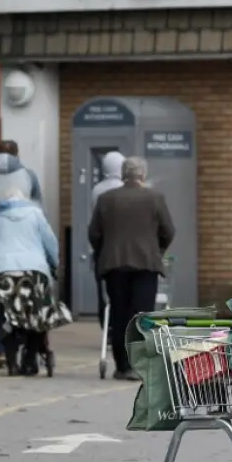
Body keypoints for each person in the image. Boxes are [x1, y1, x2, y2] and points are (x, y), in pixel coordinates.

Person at [88, 157, 175, 381]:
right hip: (146, 265)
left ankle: (122, 366)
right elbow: (168, 230)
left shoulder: (106, 199)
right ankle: (139, 364)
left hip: (114, 264)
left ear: (124, 174)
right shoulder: (155, 198)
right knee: (141, 315)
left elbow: (94, 233)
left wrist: (104, 251)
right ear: (143, 175)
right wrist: (156, 250)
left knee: (119, 313)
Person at [0, 141, 44, 369]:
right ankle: (22, 342)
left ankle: (0, 350)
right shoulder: (28, 176)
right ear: (17, 155)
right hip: (28, 253)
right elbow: (40, 211)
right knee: (26, 297)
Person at [0, 189, 61, 375]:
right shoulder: (35, 214)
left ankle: (11, 362)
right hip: (34, 270)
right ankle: (30, 359)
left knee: (5, 314)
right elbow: (50, 242)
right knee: (36, 315)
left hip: (1, 271)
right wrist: (54, 264)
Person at [90, 151, 126, 328]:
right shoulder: (125, 188)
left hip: (103, 248)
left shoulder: (97, 189)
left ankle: (107, 327)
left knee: (103, 292)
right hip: (123, 248)